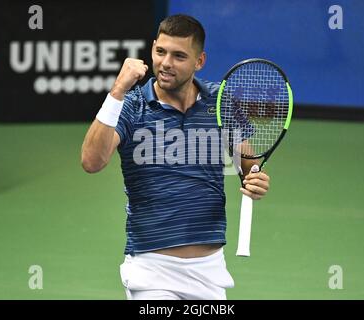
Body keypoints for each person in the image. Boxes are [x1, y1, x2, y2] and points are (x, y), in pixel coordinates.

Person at [81, 14, 270, 300]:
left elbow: (247, 161)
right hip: (152, 271)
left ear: (199, 61)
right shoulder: (131, 106)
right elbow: (92, 161)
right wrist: (117, 90)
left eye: (179, 56)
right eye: (160, 51)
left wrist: (254, 176)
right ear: (153, 47)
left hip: (210, 272)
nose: (166, 63)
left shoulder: (219, 102)